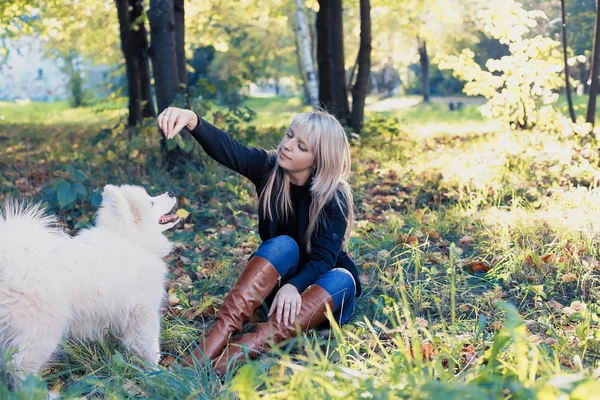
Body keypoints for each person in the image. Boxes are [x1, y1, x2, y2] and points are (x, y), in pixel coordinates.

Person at [157, 106, 362, 376]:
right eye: (289, 136)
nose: (287, 146)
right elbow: (229, 150)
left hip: (320, 292)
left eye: (301, 146)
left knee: (344, 278)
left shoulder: (333, 196)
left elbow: (323, 260)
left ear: (318, 160)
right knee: (282, 244)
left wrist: (294, 287)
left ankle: (227, 362)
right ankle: (199, 357)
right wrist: (193, 120)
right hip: (278, 290)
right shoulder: (269, 169)